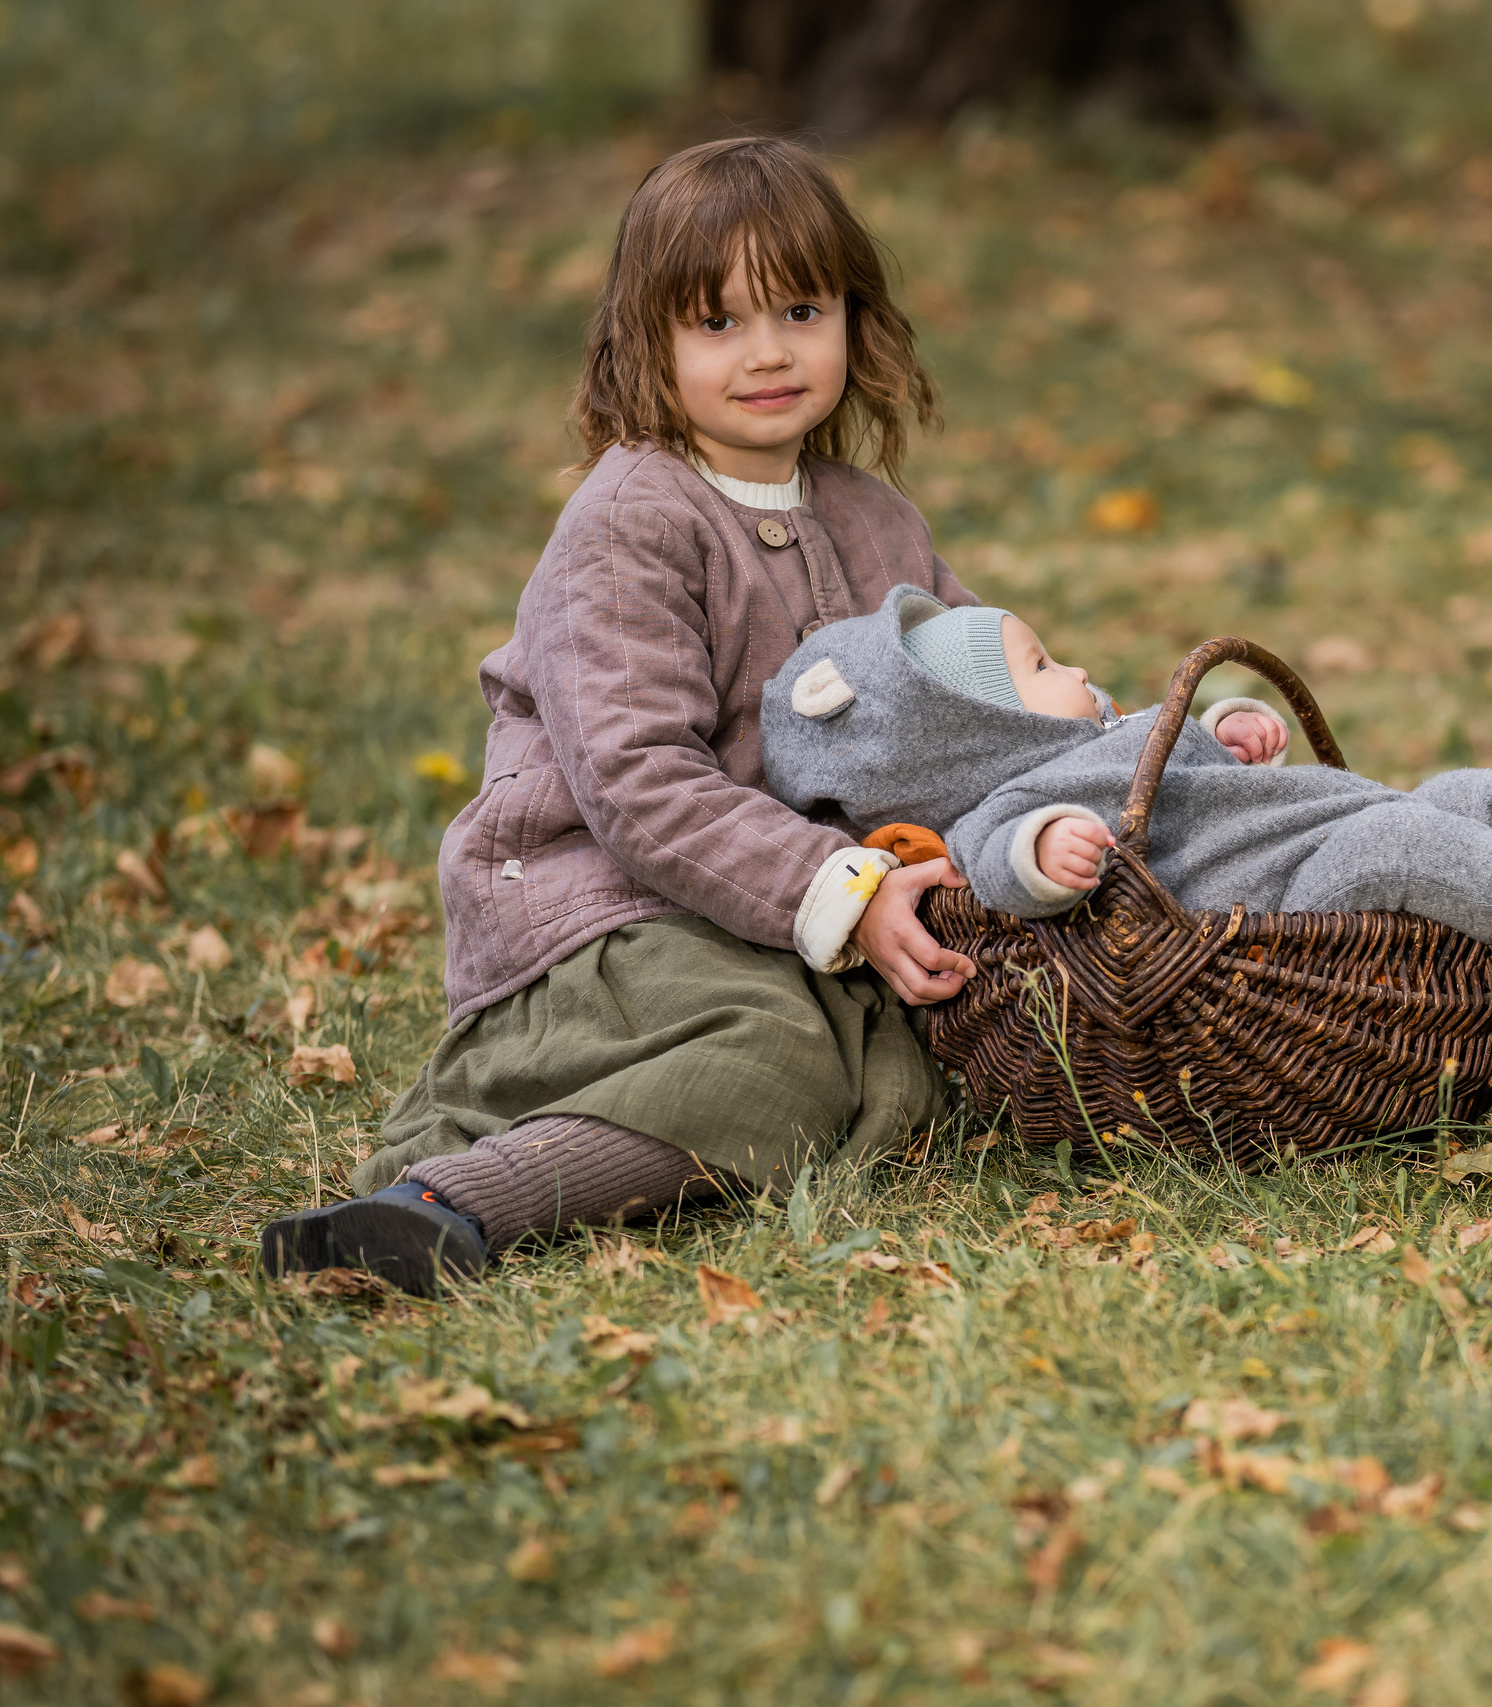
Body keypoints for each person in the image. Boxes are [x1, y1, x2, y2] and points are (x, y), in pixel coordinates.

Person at [261, 138, 986, 1296]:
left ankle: (689, 1105)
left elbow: (981, 697)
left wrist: (1137, 749)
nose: (768, 352)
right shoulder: (630, 524)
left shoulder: (875, 520)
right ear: (647, 341)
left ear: (855, 318)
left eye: (801, 311)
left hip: (766, 915)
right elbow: (640, 785)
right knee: (782, 1057)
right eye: (717, 322)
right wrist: (842, 890)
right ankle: (444, 1205)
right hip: (607, 917)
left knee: (906, 1064)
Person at [760, 592, 1492, 960]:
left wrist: (1225, 728)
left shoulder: (1119, 736)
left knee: (1463, 794)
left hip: (1321, 826)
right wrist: (1042, 852)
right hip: (1272, 905)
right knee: (1400, 841)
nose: (1076, 669)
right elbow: (992, 860)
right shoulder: (1015, 798)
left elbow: (1183, 757)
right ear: (984, 732)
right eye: (1042, 667)